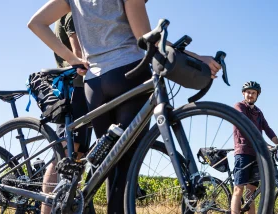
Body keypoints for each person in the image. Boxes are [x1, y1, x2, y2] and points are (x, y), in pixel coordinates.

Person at [27, 0, 221, 212]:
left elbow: (36, 23)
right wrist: (196, 57)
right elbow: (146, 39)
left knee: (112, 169)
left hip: (94, 84)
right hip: (129, 73)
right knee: (126, 171)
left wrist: (73, 59)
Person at [39, 12, 91, 214]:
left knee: (77, 156)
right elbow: (79, 53)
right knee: (65, 155)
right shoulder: (73, 13)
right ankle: (47, 210)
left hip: (81, 89)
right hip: (75, 89)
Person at [231, 81, 278, 214]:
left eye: (253, 93)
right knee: (239, 189)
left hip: (257, 154)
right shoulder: (239, 106)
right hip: (243, 151)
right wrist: (265, 144)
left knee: (251, 192)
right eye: (248, 92)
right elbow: (246, 126)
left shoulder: (258, 112)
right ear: (244, 93)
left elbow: (268, 129)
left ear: (257, 95)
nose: (250, 95)